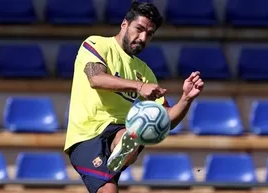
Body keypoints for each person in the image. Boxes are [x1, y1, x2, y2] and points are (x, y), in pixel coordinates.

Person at [64, 1, 204, 193]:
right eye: (139, 29)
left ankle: (123, 150)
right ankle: (123, 150)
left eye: (149, 34)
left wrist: (186, 98)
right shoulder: (96, 44)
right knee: (109, 189)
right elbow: (96, 78)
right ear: (124, 24)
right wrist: (139, 86)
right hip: (87, 135)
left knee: (136, 130)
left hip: (119, 130)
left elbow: (166, 119)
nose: (143, 37)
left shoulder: (144, 71)